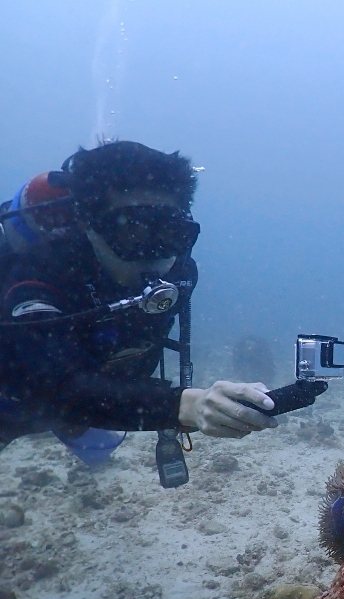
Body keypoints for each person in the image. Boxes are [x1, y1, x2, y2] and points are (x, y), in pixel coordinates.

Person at [0, 140, 278, 455]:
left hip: (96, 400)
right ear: (88, 226)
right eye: (132, 232)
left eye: (169, 233)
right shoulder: (41, 269)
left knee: (91, 439)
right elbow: (49, 386)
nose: (153, 255)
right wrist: (184, 405)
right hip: (15, 404)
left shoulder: (182, 272)